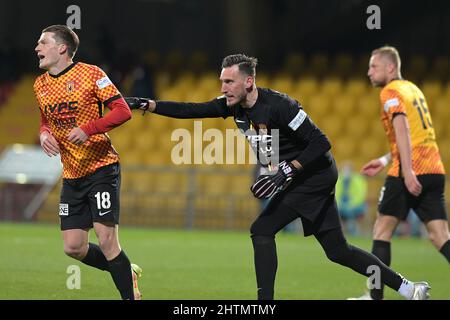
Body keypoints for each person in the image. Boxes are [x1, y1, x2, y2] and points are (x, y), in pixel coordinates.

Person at [125, 53, 430, 300]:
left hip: (315, 176)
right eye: (221, 81)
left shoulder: (281, 105)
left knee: (262, 229)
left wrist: (286, 170)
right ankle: (409, 289)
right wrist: (150, 105)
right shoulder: (233, 107)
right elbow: (191, 109)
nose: (223, 88)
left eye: (229, 81)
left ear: (249, 81)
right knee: (338, 252)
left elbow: (321, 143)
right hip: (300, 179)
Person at [34, 25, 142, 300]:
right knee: (73, 247)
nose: (37, 48)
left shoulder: (91, 74)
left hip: (101, 167)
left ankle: (130, 296)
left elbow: (123, 111)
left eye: (43, 42)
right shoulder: (40, 84)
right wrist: (44, 132)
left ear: (62, 48)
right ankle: (125, 270)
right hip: (72, 173)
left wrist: (89, 129)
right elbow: (46, 120)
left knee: (107, 241)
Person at [349, 46, 450, 300]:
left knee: (381, 231)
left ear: (390, 68)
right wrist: (385, 159)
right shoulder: (412, 89)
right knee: (440, 237)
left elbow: (403, 128)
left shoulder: (390, 91)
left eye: (374, 66)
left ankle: (375, 296)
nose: (369, 72)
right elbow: (418, 133)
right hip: (434, 169)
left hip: (410, 170)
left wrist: (406, 171)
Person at [336, 161, 368, 236]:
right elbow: (336, 194)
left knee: (350, 211)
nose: (346, 171)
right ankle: (341, 233)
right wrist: (340, 204)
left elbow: (360, 196)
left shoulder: (359, 179)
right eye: (344, 169)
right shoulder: (339, 179)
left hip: (356, 205)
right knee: (336, 210)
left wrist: (350, 205)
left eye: (347, 169)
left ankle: (352, 232)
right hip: (341, 205)